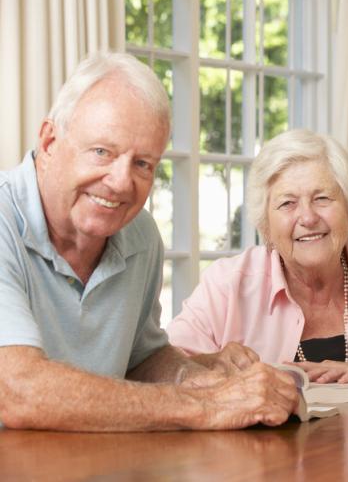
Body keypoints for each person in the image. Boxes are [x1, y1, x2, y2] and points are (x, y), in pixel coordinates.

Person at [0, 52, 299, 431]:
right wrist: (203, 404)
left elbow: (141, 360)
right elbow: (17, 391)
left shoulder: (140, 234)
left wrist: (207, 377)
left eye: (143, 164)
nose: (122, 182)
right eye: (102, 152)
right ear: (49, 143)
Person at [166, 129, 348, 383]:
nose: (308, 217)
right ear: (266, 227)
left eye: (322, 198)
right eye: (287, 203)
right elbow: (167, 369)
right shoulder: (226, 285)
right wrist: (214, 365)